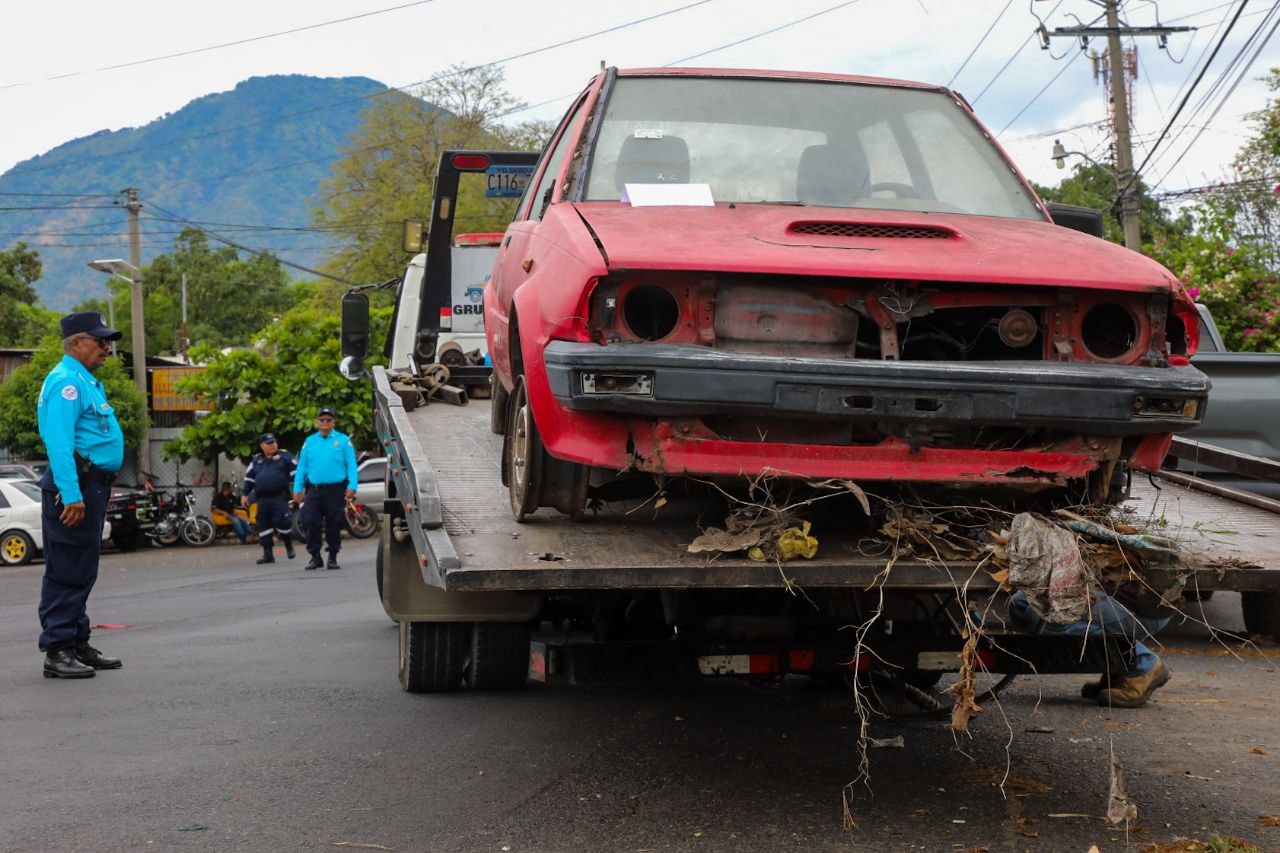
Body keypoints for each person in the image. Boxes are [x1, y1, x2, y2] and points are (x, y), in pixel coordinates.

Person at [35, 312, 126, 679]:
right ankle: (57, 649)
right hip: (74, 489)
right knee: (67, 569)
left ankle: (76, 641)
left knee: (82, 568)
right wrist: (72, 495)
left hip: (92, 485)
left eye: (108, 341)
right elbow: (59, 443)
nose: (107, 347)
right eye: (99, 340)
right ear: (76, 343)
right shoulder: (66, 383)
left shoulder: (84, 381)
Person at [1008, 588, 1171, 708]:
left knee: (1048, 615)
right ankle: (1118, 669)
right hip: (1109, 592)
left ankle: (1143, 664)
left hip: (1141, 605)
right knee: (1020, 602)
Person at [292, 406, 358, 570]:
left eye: (328, 420)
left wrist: (352, 486)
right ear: (317, 422)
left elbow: (352, 466)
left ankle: (333, 556)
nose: (325, 423)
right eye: (322, 420)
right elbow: (302, 466)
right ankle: (315, 556)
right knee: (310, 521)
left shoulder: (343, 441)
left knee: (334, 523)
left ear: (333, 422)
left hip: (335, 490)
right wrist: (297, 488)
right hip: (314, 490)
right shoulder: (310, 441)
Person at [241, 433, 297, 565]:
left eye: (274, 442)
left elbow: (296, 474)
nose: (273, 445)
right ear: (262, 446)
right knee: (263, 526)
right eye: (269, 443)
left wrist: (298, 490)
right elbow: (249, 480)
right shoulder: (256, 460)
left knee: (283, 522)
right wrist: (244, 495)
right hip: (263, 499)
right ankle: (268, 555)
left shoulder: (285, 457)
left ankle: (288, 544)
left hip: (279, 497)